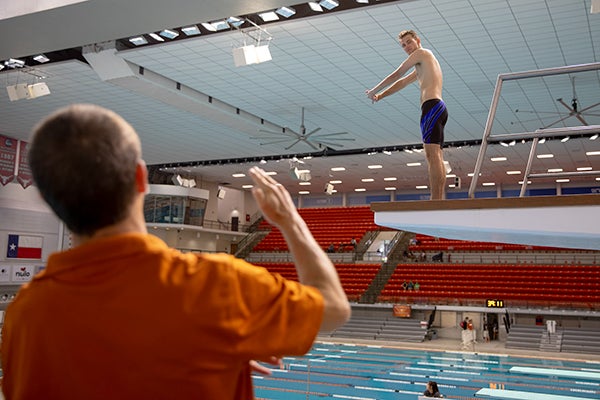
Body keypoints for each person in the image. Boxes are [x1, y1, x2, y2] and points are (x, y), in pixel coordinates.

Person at [0, 104, 351, 400]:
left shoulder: (25, 315)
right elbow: (333, 309)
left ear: (46, 198)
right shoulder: (217, 285)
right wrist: (290, 221)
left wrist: (207, 344)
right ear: (141, 179)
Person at [366, 29, 448, 200]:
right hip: (438, 107)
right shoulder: (424, 63)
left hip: (431, 107)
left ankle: (436, 200)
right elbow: (401, 82)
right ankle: (439, 199)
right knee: (436, 155)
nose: (406, 47)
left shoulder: (421, 53)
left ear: (418, 40)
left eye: (409, 42)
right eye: (403, 45)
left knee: (432, 155)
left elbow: (397, 73)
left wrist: (374, 89)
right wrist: (380, 96)